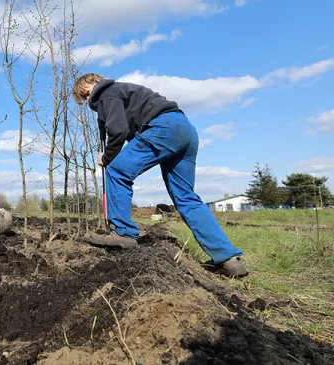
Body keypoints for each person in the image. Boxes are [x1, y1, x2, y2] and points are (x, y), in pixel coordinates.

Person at [72, 73, 248, 278]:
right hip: (185, 129)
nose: (87, 100)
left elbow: (118, 130)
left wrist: (108, 157)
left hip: (163, 128)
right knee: (186, 198)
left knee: (116, 171)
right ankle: (229, 260)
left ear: (93, 82)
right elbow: (130, 133)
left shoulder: (106, 92)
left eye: (85, 94)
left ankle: (122, 232)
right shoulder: (124, 92)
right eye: (84, 99)